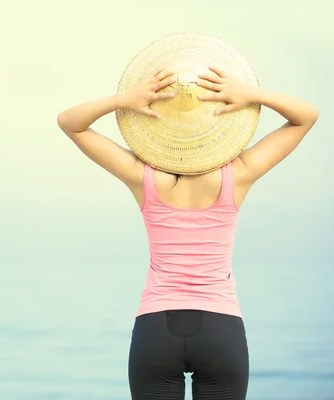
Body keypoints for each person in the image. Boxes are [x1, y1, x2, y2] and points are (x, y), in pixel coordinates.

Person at [56, 66, 319, 400]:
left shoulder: (143, 176)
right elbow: (306, 116)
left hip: (155, 329)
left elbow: (69, 122)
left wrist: (124, 100)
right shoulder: (238, 174)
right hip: (221, 327)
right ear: (215, 125)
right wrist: (251, 95)